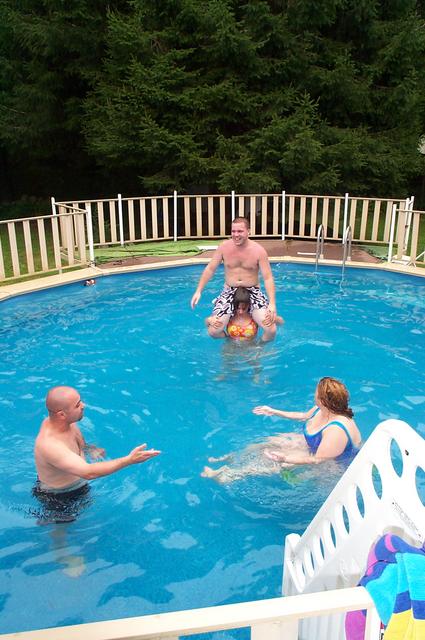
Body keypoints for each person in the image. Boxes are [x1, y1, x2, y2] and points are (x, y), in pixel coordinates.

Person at [33, 386, 160, 520]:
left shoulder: (66, 422)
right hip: (58, 497)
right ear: (61, 414)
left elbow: (78, 442)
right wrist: (129, 460)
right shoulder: (50, 445)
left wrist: (90, 449)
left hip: (76, 484)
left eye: (80, 401)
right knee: (62, 530)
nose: (83, 405)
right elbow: (89, 473)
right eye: (77, 405)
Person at [201, 377, 361, 483]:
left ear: (323, 400)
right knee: (270, 442)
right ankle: (232, 458)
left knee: (279, 464)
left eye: (316, 393)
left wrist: (286, 458)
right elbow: (303, 416)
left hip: (332, 464)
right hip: (315, 447)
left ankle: (228, 475)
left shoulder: (336, 430)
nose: (314, 394)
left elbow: (318, 460)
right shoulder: (323, 408)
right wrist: (274, 411)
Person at [191, 217, 278, 342]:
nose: (236, 235)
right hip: (229, 291)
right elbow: (210, 269)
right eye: (233, 231)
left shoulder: (259, 251)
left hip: (252, 292)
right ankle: (230, 341)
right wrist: (198, 291)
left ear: (248, 231)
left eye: (240, 231)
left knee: (271, 329)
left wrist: (272, 303)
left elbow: (268, 277)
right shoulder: (224, 247)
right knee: (214, 331)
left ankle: (258, 346)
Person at [206, 286, 284, 342]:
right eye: (238, 308)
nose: (240, 311)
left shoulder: (254, 316)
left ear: (249, 305)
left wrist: (273, 318)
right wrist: (209, 320)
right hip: (231, 348)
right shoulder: (230, 315)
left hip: (252, 348)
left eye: (244, 308)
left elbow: (281, 322)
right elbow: (207, 325)